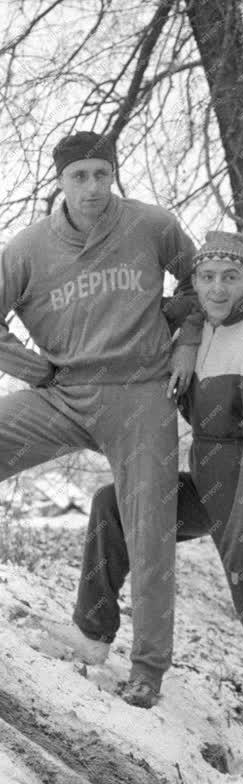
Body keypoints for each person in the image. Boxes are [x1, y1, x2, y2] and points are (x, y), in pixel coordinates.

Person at [72, 231, 243, 735]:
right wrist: (188, 322)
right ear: (194, 281)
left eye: (230, 278)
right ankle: (92, 631)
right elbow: (155, 310)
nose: (218, 289)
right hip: (204, 490)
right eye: (207, 278)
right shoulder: (200, 334)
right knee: (113, 504)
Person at [0, 130, 203, 706]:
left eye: (100, 173)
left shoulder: (152, 225)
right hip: (63, 392)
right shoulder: (27, 249)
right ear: (59, 182)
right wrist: (34, 371)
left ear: (112, 173)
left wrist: (185, 337)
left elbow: (201, 281)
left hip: (141, 393)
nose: (91, 186)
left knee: (150, 524)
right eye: (78, 176)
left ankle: (147, 669)